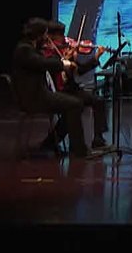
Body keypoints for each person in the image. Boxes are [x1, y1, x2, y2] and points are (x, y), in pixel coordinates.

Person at [11, 18, 98, 159]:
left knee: (73, 104)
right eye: (45, 35)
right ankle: (79, 151)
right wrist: (64, 63)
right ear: (38, 35)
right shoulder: (24, 50)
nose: (46, 38)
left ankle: (55, 144)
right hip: (34, 98)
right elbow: (43, 63)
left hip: (38, 94)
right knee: (74, 104)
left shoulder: (28, 48)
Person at [42, 20, 109, 151]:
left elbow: (80, 70)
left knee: (98, 101)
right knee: (74, 107)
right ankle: (52, 143)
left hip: (71, 89)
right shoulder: (48, 53)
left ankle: (98, 139)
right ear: (52, 37)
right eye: (61, 36)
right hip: (57, 91)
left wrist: (95, 57)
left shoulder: (66, 50)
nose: (64, 40)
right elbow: (54, 67)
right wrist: (65, 59)